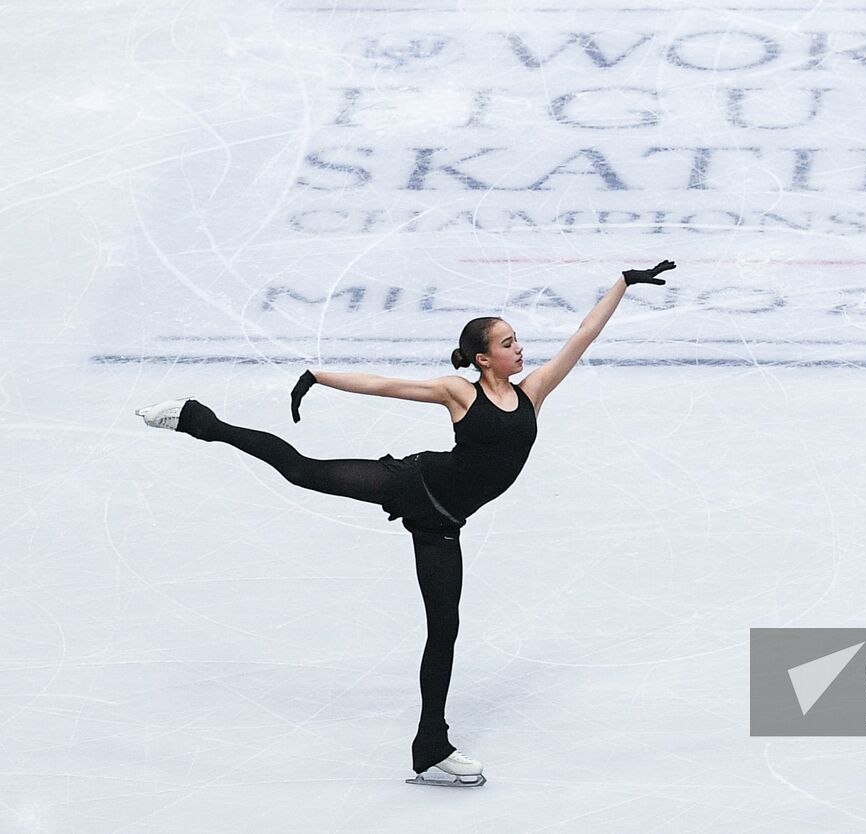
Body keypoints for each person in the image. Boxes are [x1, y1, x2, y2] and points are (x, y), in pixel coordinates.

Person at [135, 261, 677, 786]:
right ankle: (197, 419)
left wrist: (623, 284)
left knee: (445, 631)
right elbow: (383, 385)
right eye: (508, 343)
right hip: (413, 484)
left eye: (517, 341)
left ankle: (430, 749)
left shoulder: (533, 392)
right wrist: (318, 376)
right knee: (302, 472)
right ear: (483, 359)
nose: (520, 348)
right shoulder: (459, 392)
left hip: (444, 524)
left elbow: (583, 335)